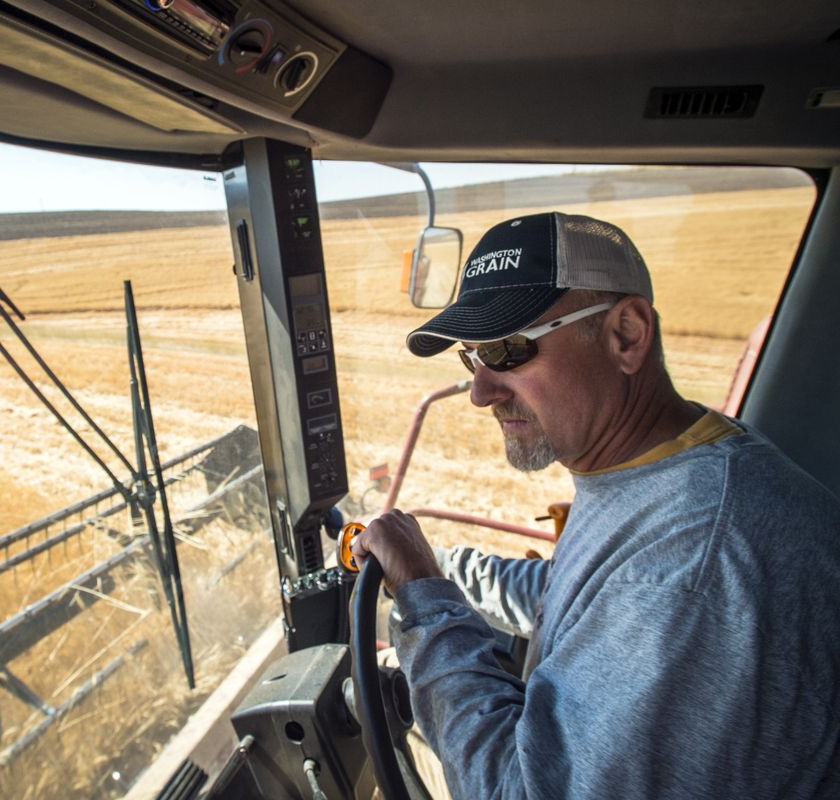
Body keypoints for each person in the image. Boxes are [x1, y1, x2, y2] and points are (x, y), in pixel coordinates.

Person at [350, 212, 840, 800]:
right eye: (473, 357)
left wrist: (428, 609)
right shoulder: (657, 467)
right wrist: (446, 571)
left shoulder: (692, 565)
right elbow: (578, 593)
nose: (480, 392)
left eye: (508, 349)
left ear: (626, 335)